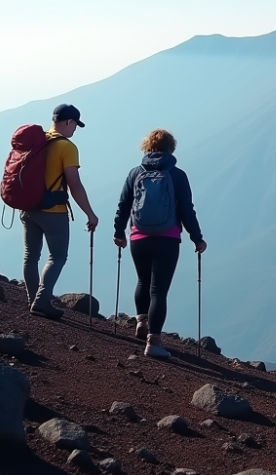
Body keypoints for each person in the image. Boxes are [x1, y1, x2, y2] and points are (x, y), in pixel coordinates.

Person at [113, 129, 206, 359]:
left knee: (143, 280)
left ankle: (141, 322)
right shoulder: (177, 175)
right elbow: (186, 210)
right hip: (168, 238)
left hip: (138, 237)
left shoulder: (135, 173)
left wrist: (119, 232)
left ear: (147, 147)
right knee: (159, 291)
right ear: (170, 148)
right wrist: (197, 238)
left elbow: (123, 205)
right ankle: (153, 342)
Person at [22, 103, 98, 318]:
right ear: (67, 122)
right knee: (57, 256)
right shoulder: (67, 147)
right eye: (75, 125)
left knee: (30, 256)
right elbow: (74, 184)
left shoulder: (37, 141)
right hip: (53, 211)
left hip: (28, 208)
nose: (75, 130)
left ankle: (32, 299)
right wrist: (90, 213)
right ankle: (42, 301)